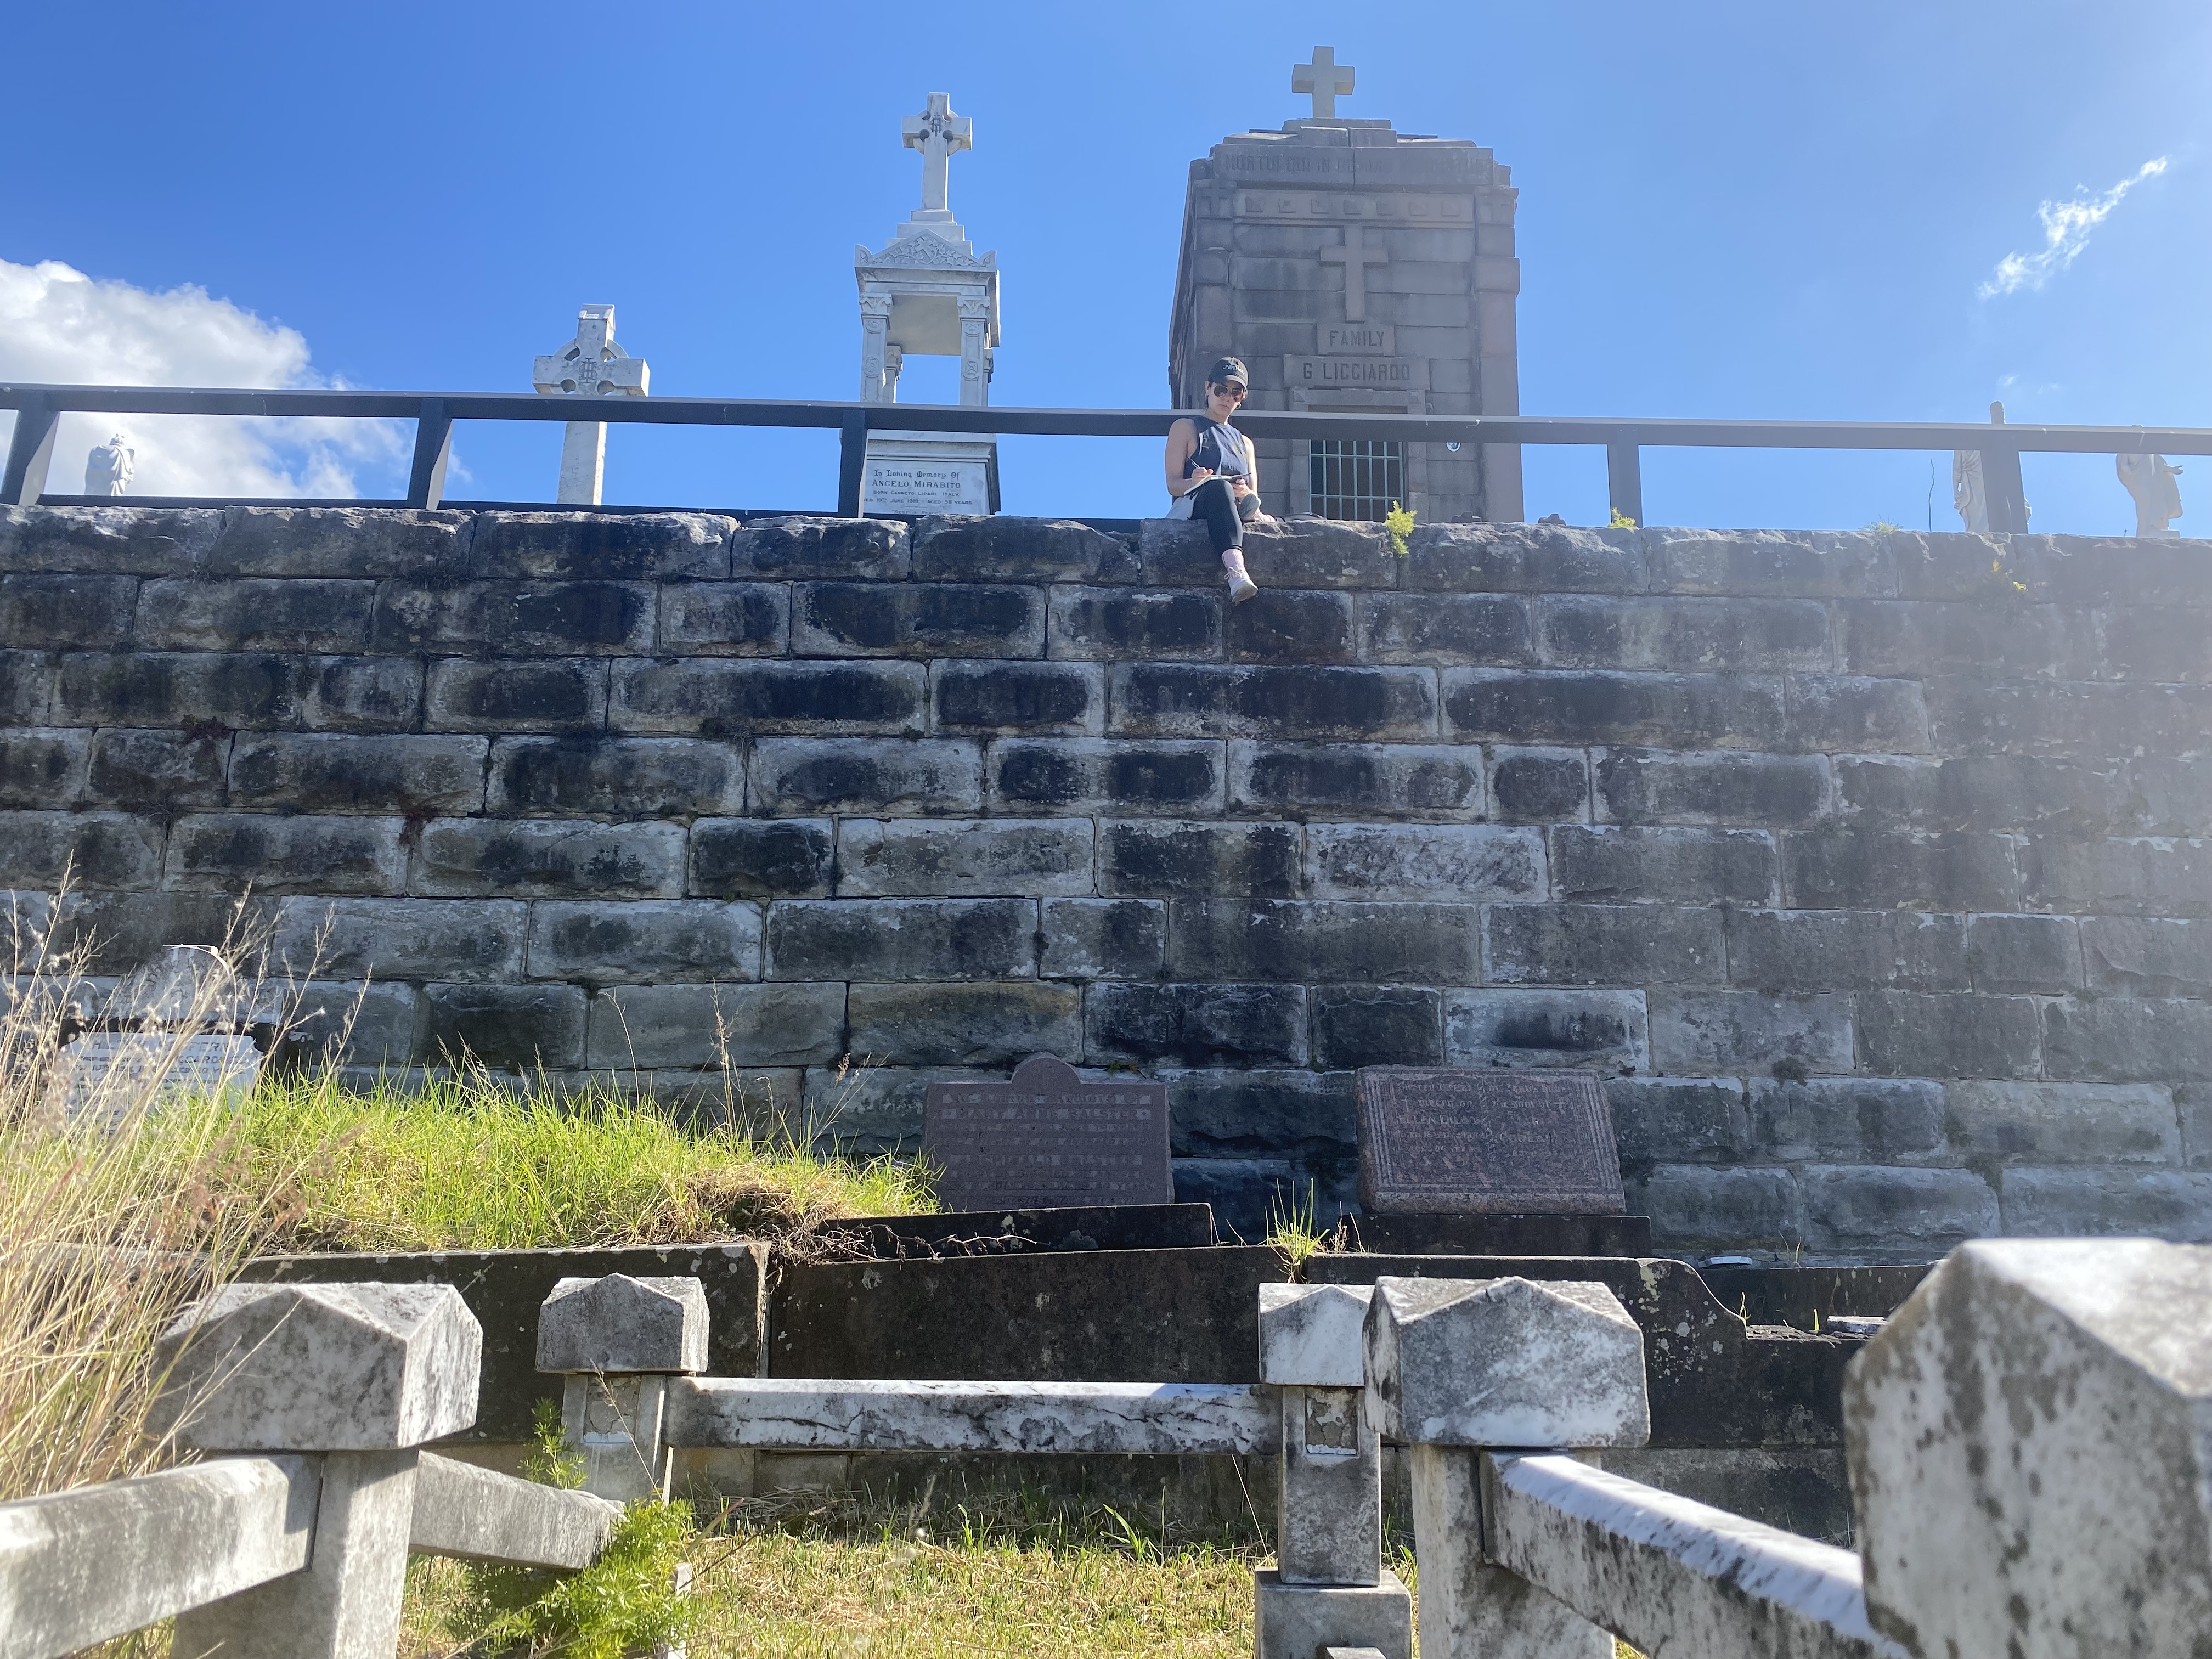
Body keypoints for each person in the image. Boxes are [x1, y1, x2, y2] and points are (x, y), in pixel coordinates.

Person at [1165, 357, 1272, 602]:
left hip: (1235, 507)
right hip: (1197, 503)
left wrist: (1246, 494)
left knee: (1235, 495)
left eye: (1235, 393)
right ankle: (1236, 570)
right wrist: (1195, 482)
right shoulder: (1185, 427)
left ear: (1242, 399)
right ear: (1208, 388)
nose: (1227, 398)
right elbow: (1173, 485)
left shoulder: (1245, 443)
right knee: (1218, 487)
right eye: (1221, 390)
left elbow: (1254, 496)